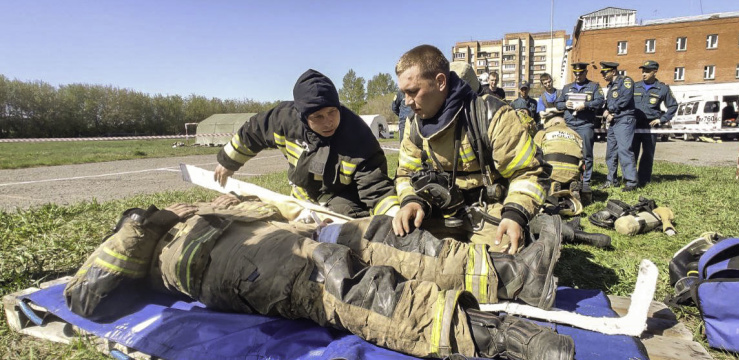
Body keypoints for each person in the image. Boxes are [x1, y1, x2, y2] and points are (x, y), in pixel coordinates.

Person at [63, 194, 575, 360]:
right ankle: (491, 335)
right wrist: (138, 225)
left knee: (380, 237)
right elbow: (85, 299)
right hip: (233, 269)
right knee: (337, 284)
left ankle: (513, 277)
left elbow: (254, 210)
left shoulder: (190, 208)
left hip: (275, 235)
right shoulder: (134, 237)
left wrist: (293, 218)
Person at [392, 45, 550, 255]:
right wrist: (411, 201)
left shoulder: (492, 115)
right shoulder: (414, 125)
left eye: (413, 91)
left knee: (498, 269)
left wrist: (515, 214)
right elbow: (405, 174)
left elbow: (529, 172)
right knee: (411, 254)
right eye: (404, 93)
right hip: (440, 211)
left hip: (490, 211)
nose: (407, 102)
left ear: (440, 82)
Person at [214, 69, 399, 218]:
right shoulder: (283, 119)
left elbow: (376, 187)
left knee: (341, 223)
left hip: (345, 197)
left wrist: (394, 215)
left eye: (332, 112)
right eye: (318, 116)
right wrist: (228, 162)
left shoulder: (358, 136)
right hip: (303, 195)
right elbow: (252, 132)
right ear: (302, 116)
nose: (328, 122)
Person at [555, 63, 605, 202]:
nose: (577, 76)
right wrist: (565, 105)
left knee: (586, 154)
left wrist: (586, 105)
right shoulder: (566, 88)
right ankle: (570, 178)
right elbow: (558, 103)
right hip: (570, 125)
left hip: (585, 124)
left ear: (585, 72)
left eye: (580, 73)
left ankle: (586, 181)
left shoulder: (593, 86)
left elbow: (600, 101)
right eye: (575, 73)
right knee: (568, 153)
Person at [632, 60, 678, 187]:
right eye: (643, 71)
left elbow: (673, 106)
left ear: (655, 72)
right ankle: (631, 180)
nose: (644, 74)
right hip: (634, 124)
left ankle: (644, 180)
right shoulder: (635, 86)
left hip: (650, 125)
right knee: (632, 153)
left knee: (647, 153)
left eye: (647, 71)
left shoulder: (663, 88)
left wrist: (662, 119)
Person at [599, 62, 638, 192]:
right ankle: (611, 180)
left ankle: (631, 182)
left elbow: (625, 99)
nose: (603, 75)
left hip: (624, 120)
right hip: (614, 121)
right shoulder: (610, 86)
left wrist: (610, 111)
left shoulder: (625, 81)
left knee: (624, 150)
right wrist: (605, 111)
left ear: (613, 72)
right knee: (611, 152)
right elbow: (609, 102)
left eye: (605, 72)